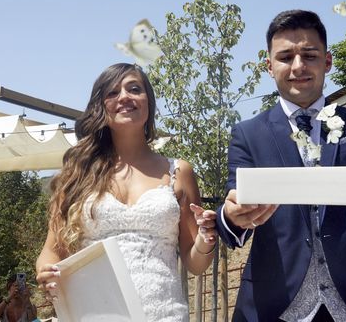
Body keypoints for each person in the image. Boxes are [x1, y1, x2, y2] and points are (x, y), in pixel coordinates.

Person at [215, 10, 346, 322]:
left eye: (309, 55)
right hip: (273, 306)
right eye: (285, 57)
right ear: (269, 67)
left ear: (327, 61)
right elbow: (232, 214)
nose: (298, 66)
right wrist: (231, 216)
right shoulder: (247, 134)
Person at [35, 63, 217, 322]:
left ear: (148, 103)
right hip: (94, 314)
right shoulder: (76, 173)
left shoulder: (180, 171)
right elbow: (51, 251)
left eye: (134, 89)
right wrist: (45, 271)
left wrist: (206, 239)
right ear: (101, 106)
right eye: (112, 92)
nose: (124, 97)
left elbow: (195, 264)